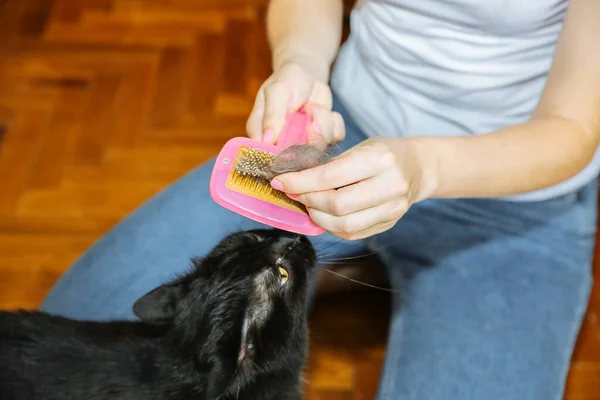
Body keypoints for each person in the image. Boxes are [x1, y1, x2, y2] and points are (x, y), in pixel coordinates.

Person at [40, 0, 600, 399]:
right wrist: (299, 68)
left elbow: (573, 129)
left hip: (511, 199)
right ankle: (338, 265)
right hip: (340, 136)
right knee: (67, 336)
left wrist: (422, 168)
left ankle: (331, 269)